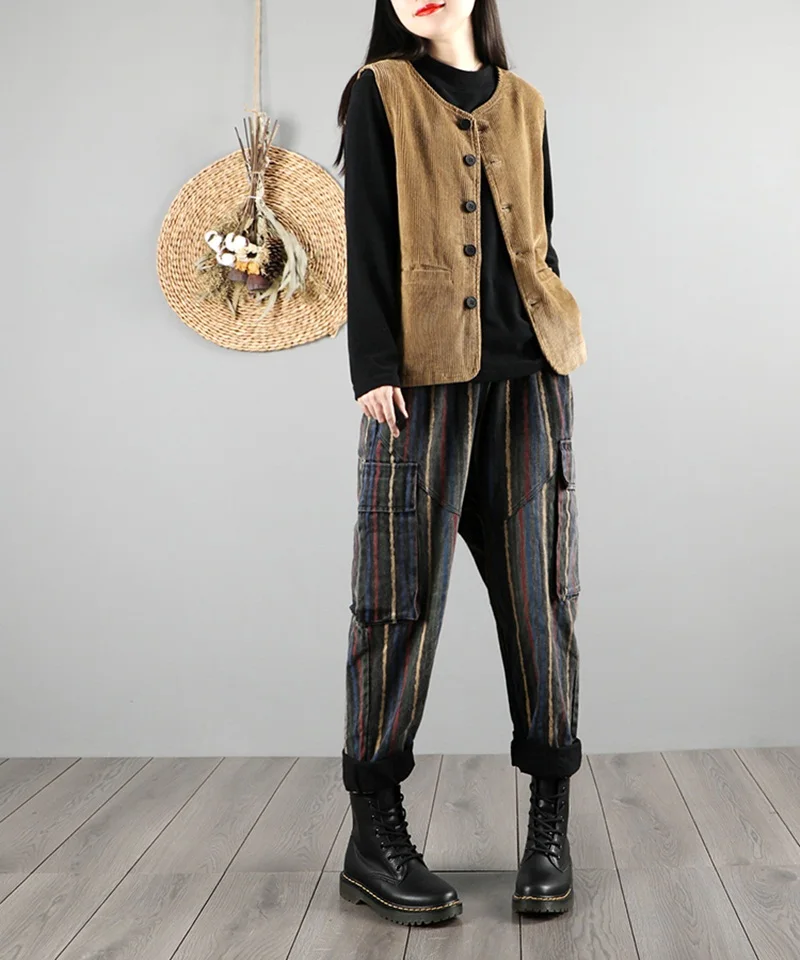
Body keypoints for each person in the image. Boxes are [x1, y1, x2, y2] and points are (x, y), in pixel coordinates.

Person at [333, 0, 587, 926]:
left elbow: (539, 234)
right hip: (420, 386)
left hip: (532, 384)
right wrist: (373, 366)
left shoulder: (526, 101)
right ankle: (374, 834)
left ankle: (550, 827)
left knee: (542, 599)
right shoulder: (380, 92)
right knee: (396, 599)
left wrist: (552, 328)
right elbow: (365, 233)